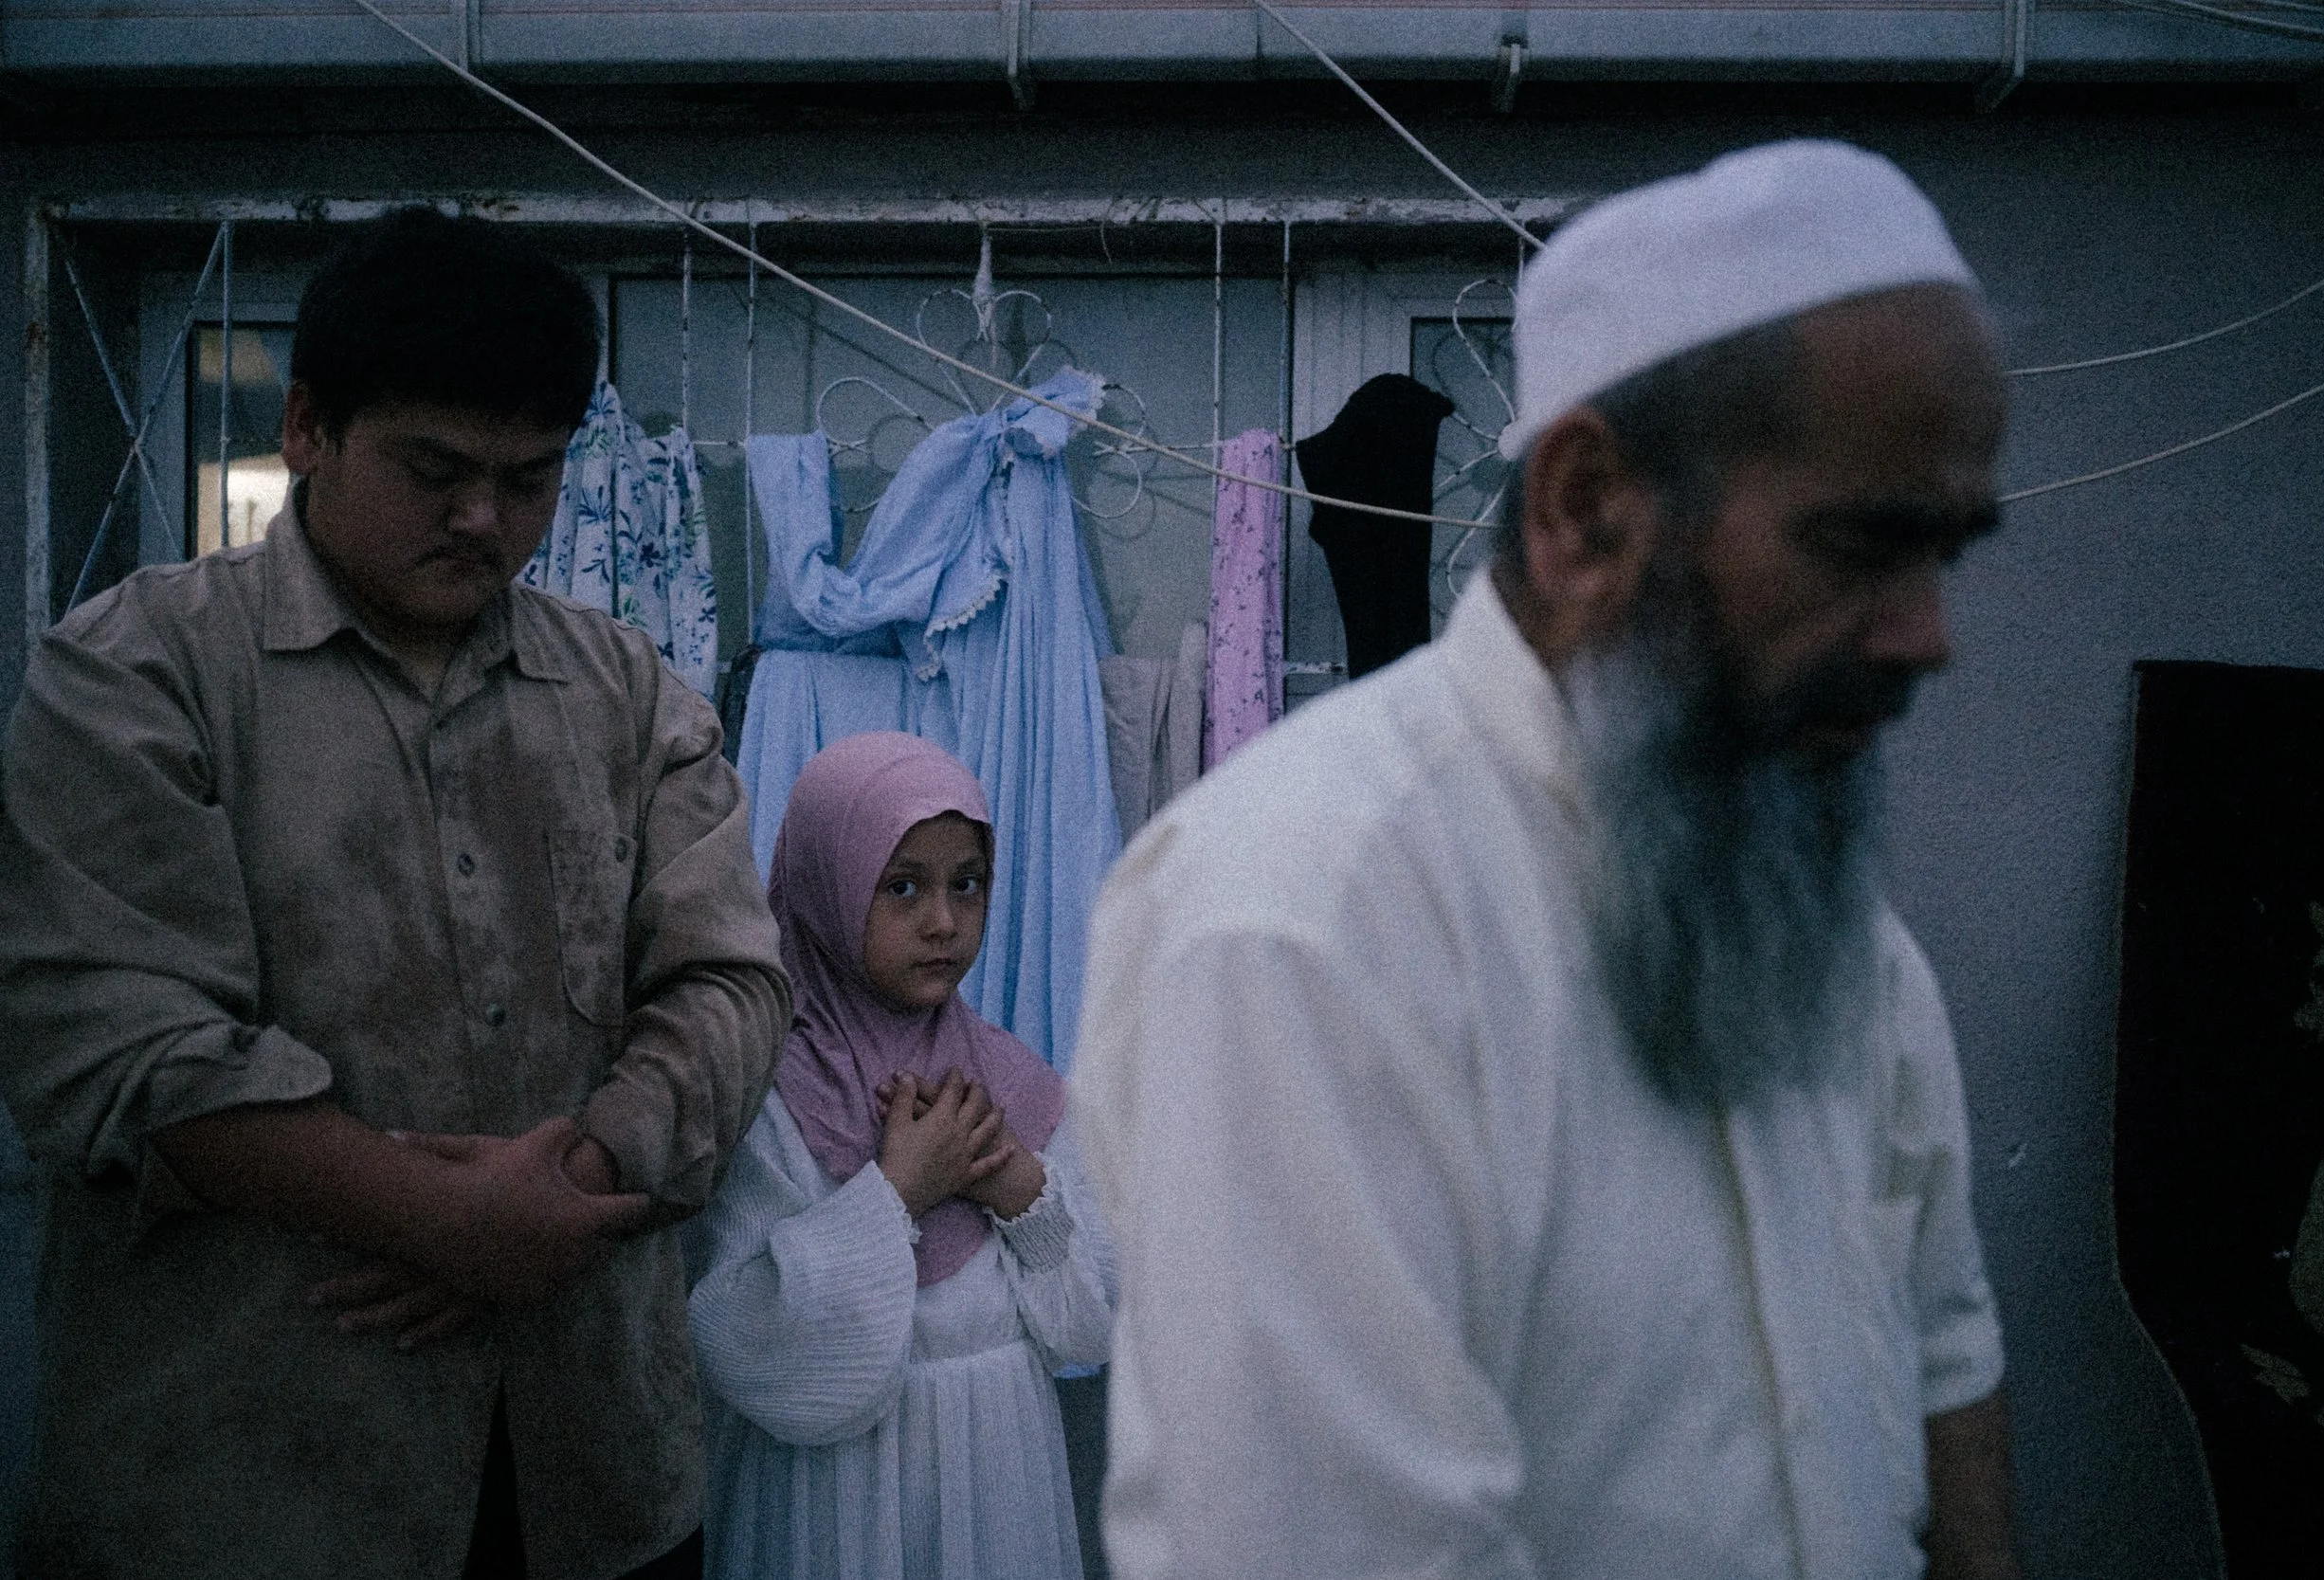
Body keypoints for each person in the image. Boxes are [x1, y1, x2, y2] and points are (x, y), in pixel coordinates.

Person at [1072, 139, 2020, 1580]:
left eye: (1946, 555)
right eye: (1860, 547)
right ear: (1585, 508)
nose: (1927, 636)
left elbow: (1946, 1359)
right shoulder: (1313, 916)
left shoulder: (1839, 934)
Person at [0, 209, 790, 1579]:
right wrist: (437, 1216)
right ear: (307, 426)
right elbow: (116, 1038)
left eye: (529, 479)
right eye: (437, 469)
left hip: (595, 1475)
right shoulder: (135, 671)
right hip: (247, 1489)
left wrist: (577, 1178)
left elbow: (732, 981)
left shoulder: (626, 690)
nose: (484, 519)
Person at [686, 731, 1117, 1580]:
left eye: (968, 883)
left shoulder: (1011, 1085)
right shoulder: (768, 1095)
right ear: (827, 888)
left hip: (999, 1483)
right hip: (832, 1502)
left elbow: (1089, 1328)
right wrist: (897, 1193)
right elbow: (741, 1338)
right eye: (903, 886)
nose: (944, 921)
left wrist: (1020, 1189)